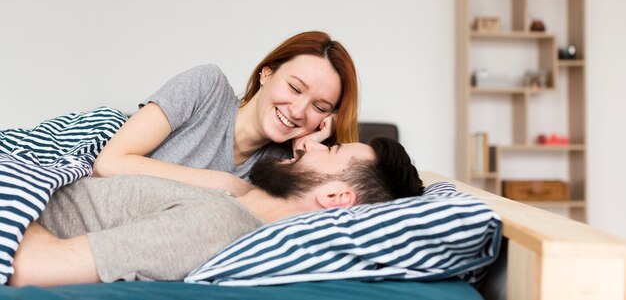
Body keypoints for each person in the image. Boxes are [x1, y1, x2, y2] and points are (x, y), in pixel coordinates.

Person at [10, 137, 424, 287]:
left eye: (328, 150)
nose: (306, 144)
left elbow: (34, 267)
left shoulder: (216, 226)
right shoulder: (228, 196)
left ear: (335, 198)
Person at [93, 31, 359, 196]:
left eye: (319, 107)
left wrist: (306, 154)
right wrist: (225, 184)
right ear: (266, 73)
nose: (299, 111)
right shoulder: (207, 86)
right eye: (294, 87)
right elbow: (109, 163)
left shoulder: (280, 168)